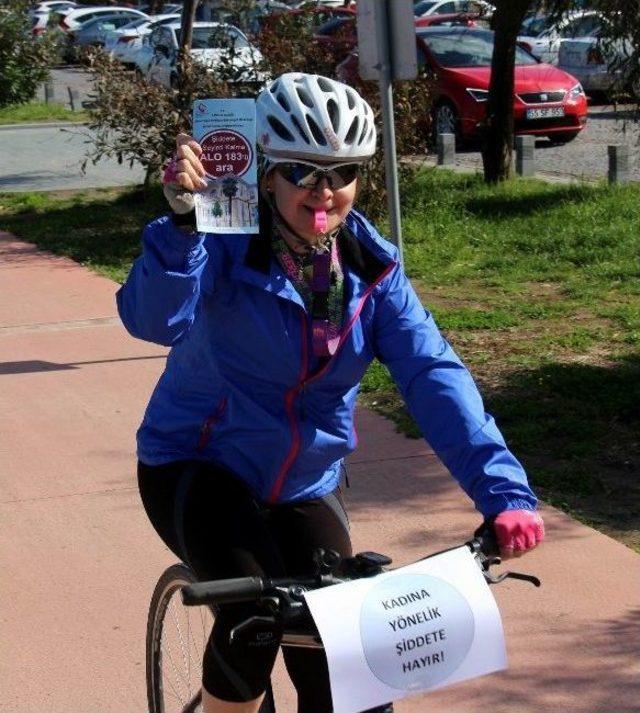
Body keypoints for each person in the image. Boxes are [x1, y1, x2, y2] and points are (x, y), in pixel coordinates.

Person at [117, 72, 545, 713]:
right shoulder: (220, 248)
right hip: (197, 465)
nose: (324, 191)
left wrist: (504, 492)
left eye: (341, 172)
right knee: (253, 625)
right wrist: (181, 228)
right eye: (301, 171)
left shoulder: (374, 274)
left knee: (348, 660)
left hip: (304, 482)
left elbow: (435, 378)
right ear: (266, 175)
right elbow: (155, 321)